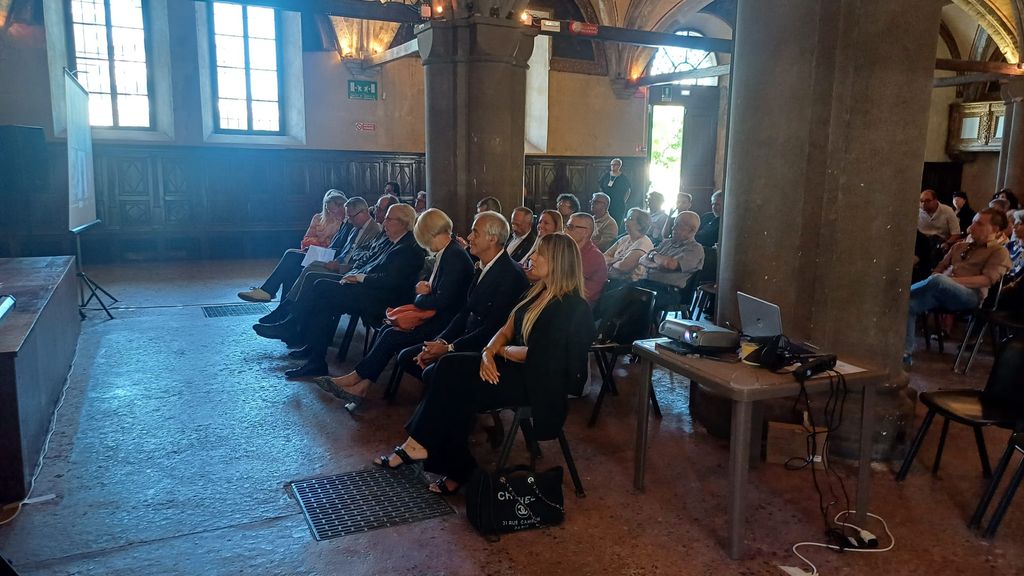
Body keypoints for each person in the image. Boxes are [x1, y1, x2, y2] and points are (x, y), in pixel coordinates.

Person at [371, 233, 594, 495]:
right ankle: (431, 452)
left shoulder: (573, 307)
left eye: (539, 253)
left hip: (537, 383)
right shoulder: (536, 291)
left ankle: (432, 452)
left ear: (558, 261)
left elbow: (540, 355)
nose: (532, 257)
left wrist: (499, 353)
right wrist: (488, 352)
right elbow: (506, 329)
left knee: (450, 381)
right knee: (446, 370)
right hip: (512, 367)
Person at [313, 209, 474, 406]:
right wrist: (424, 293)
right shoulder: (449, 252)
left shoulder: (454, 257)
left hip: (444, 325)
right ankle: (360, 384)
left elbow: (441, 301)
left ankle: (357, 382)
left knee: (391, 335)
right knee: (388, 329)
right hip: (437, 317)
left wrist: (419, 296)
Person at [254, 203, 426, 378]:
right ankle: (313, 353)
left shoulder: (409, 248)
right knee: (322, 294)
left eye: (389, 219)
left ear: (403, 223)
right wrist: (354, 274)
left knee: (321, 287)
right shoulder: (388, 238)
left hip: (381, 300)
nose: (384, 222)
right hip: (367, 289)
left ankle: (296, 332)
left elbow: (390, 281)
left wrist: (359, 277)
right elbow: (366, 258)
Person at [905, 208, 1012, 364]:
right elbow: (939, 268)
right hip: (942, 291)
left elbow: (986, 280)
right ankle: (905, 354)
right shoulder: (959, 246)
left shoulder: (999, 251)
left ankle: (901, 293)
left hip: (970, 295)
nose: (971, 227)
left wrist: (950, 281)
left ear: (994, 229)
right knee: (908, 306)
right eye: (973, 222)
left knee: (938, 280)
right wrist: (941, 279)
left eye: (979, 224)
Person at [258, 196, 382, 325]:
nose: (349, 220)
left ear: (364, 212)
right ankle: (286, 311)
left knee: (309, 273)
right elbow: (345, 251)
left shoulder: (374, 231)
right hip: (337, 261)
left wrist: (339, 266)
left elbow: (363, 262)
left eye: (352, 216)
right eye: (348, 217)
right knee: (303, 265)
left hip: (347, 271)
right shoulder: (356, 227)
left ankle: (289, 315)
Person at [238, 189, 347, 303]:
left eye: (333, 211)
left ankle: (269, 292)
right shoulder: (319, 218)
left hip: (331, 257)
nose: (330, 213)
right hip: (318, 252)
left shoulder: (345, 222)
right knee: (291, 266)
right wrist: (319, 244)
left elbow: (341, 247)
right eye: (328, 210)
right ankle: (281, 305)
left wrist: (323, 243)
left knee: (291, 256)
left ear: (342, 207)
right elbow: (307, 239)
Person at [637, 211, 705, 308]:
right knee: (619, 292)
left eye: (678, 225)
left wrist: (653, 257)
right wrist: (657, 262)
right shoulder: (667, 242)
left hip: (668, 291)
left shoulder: (695, 249)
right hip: (645, 284)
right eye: (674, 224)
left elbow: (669, 264)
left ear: (691, 230)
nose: (673, 227)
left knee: (635, 300)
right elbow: (642, 259)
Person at [564, 212, 608, 307]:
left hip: (579, 306)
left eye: (571, 227)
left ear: (585, 232)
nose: (565, 230)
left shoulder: (594, 257)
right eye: (566, 226)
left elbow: (566, 283)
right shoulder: (570, 250)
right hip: (566, 299)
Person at [604, 208, 654, 284]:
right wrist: (616, 260)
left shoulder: (643, 243)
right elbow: (603, 256)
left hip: (628, 285)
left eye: (630, 218)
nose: (625, 221)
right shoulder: (625, 238)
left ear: (640, 225)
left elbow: (623, 267)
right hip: (610, 279)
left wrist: (609, 262)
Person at [597, 158, 632, 223]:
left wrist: (624, 200)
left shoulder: (623, 178)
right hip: (606, 203)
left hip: (618, 204)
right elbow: (600, 187)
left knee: (617, 221)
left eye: (615, 165)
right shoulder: (606, 175)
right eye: (611, 164)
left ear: (619, 166)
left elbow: (628, 190)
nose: (612, 166)